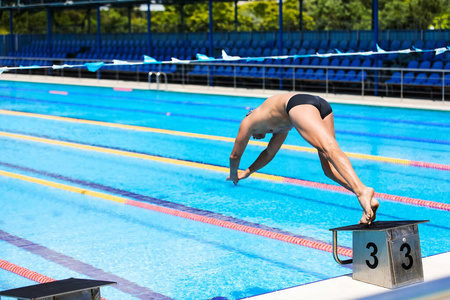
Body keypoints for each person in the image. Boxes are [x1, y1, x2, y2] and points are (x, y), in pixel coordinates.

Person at [227, 93, 379, 225]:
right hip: (319, 105)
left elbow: (235, 155)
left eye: (254, 137)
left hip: (299, 104)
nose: (256, 138)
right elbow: (269, 153)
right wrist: (248, 171)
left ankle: (362, 191)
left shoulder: (248, 122)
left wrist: (234, 173)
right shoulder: (280, 126)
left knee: (328, 147)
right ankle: (368, 200)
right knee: (329, 170)